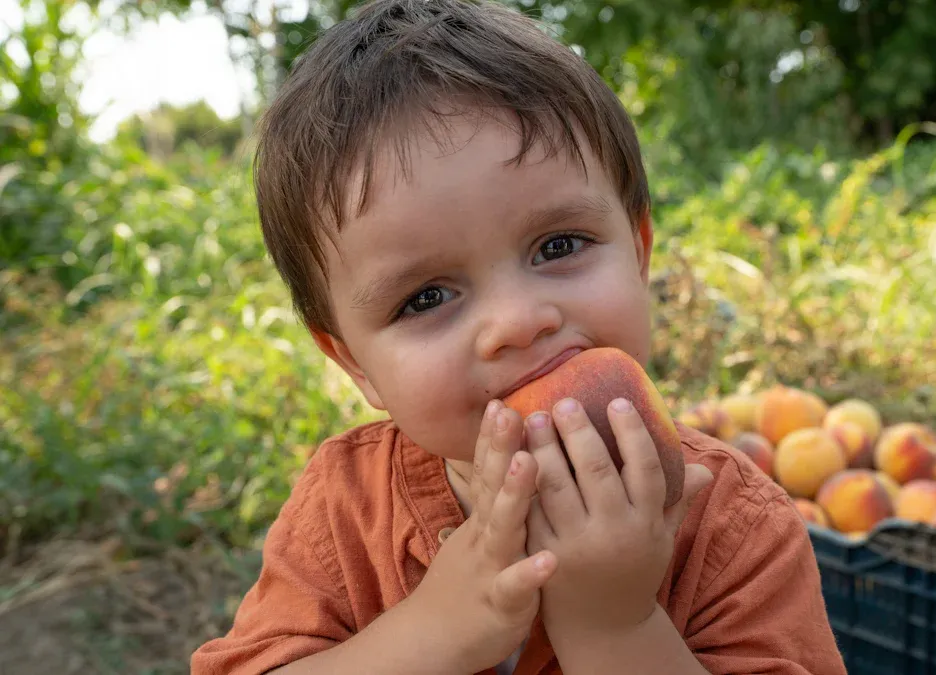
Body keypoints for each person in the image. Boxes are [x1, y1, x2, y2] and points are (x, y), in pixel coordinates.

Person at [190, 0, 847, 673]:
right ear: (356, 364)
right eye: (426, 297)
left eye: (558, 244)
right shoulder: (344, 514)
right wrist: (429, 632)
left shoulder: (732, 525)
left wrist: (614, 625)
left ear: (639, 253)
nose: (516, 320)